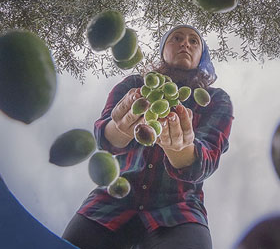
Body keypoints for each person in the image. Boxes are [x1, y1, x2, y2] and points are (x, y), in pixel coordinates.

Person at [62, 25, 234, 249]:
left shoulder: (216, 99)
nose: (185, 44)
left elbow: (207, 160)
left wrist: (179, 149)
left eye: (194, 42)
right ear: (163, 50)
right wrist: (121, 129)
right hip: (107, 204)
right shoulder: (134, 85)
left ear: (202, 55)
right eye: (177, 38)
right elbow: (105, 138)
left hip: (180, 211)